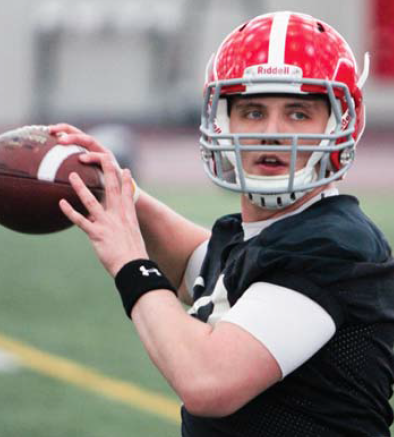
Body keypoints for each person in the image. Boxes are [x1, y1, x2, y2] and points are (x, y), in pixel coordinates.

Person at [50, 11, 394, 437]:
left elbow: (207, 380)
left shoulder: (334, 246)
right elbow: (200, 262)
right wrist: (120, 190)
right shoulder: (267, 236)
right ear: (222, 121)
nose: (272, 132)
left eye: (298, 113)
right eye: (251, 112)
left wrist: (130, 262)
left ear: (341, 123)